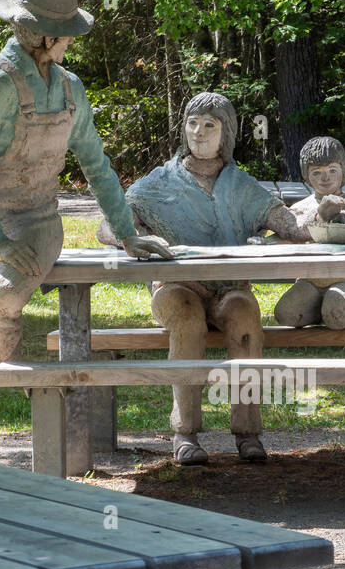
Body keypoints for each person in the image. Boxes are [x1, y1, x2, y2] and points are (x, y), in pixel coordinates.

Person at [0, 0, 171, 462]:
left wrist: (127, 234)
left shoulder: (71, 89)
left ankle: (16, 367)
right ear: (45, 36)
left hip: (36, 219)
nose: (71, 42)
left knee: (0, 300)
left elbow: (96, 164)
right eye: (66, 34)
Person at [126, 92, 311, 465]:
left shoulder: (240, 185)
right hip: (177, 287)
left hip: (230, 287)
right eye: (192, 123)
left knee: (244, 315)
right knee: (187, 318)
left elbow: (288, 224)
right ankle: (185, 433)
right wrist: (130, 236)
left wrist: (320, 215)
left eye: (210, 124)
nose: (199, 132)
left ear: (226, 133)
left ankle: (247, 432)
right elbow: (111, 224)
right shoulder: (159, 182)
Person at [273, 136, 345, 330]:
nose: (325, 178)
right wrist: (265, 241)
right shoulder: (300, 207)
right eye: (316, 172)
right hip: (310, 279)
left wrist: (343, 217)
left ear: (343, 171)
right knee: (286, 314)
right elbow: (286, 233)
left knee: (337, 312)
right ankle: (323, 313)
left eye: (332, 170)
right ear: (307, 175)